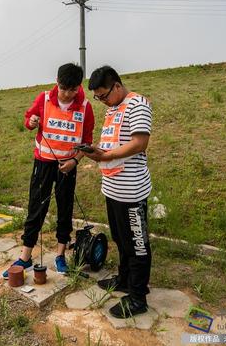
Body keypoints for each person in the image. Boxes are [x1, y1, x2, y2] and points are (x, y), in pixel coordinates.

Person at [2, 63, 95, 278]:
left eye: (71, 90)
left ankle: (60, 255)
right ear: (57, 83)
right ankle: (25, 257)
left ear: (78, 88)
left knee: (65, 208)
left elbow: (87, 140)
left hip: (67, 166)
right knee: (36, 207)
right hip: (43, 163)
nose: (66, 94)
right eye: (63, 88)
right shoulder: (43, 98)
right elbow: (28, 119)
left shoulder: (85, 107)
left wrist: (75, 160)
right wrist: (31, 122)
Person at [83, 65, 153, 319]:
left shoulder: (138, 104)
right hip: (112, 188)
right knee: (121, 240)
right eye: (98, 98)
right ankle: (124, 280)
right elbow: (111, 144)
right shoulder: (113, 109)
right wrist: (95, 152)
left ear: (117, 86)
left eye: (103, 95)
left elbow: (139, 142)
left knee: (138, 245)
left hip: (132, 191)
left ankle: (138, 297)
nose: (101, 101)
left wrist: (107, 154)